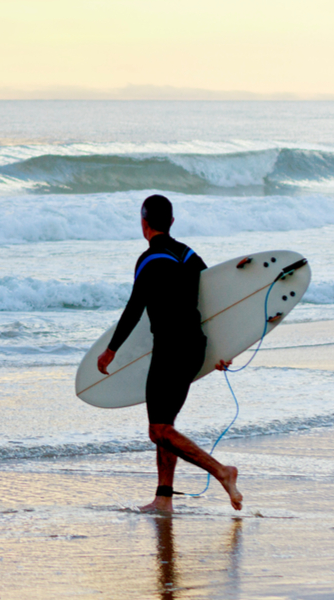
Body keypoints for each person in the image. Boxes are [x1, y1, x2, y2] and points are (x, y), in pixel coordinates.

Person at [96, 194, 243, 512]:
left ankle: (222, 472)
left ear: (143, 222)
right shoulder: (188, 255)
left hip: (171, 350)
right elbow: (215, 302)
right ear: (172, 222)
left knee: (159, 430)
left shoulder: (148, 260)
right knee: (167, 424)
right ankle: (164, 498)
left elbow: (134, 309)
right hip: (195, 348)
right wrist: (223, 350)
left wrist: (110, 351)